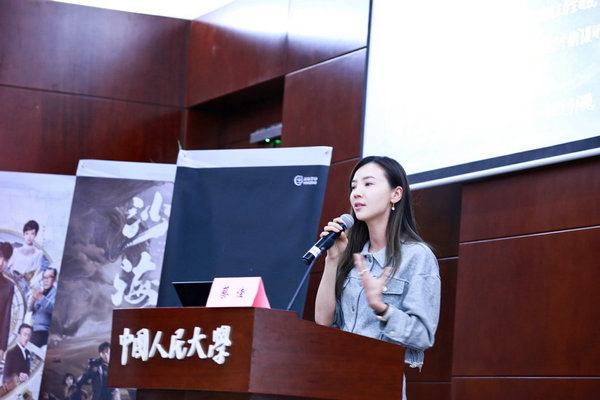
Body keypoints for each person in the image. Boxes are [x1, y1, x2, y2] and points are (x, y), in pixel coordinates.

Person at [314, 156, 441, 400]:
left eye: (368, 184)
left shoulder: (417, 256)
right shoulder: (351, 254)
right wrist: (332, 260)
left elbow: (422, 335)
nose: (357, 193)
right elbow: (323, 320)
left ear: (396, 194)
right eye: (354, 186)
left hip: (379, 384)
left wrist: (382, 308)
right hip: (336, 380)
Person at [8, 220, 44, 284]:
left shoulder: (38, 253)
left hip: (24, 285)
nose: (29, 237)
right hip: (11, 282)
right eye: (27, 233)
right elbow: (8, 267)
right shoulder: (16, 251)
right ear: (24, 234)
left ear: (36, 235)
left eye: (32, 234)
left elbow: (35, 274)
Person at [29, 267, 57, 347]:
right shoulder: (41, 291)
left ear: (54, 279)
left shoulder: (56, 293)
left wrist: (41, 298)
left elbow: (54, 310)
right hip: (34, 329)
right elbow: (30, 310)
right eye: (44, 277)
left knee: (27, 347)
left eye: (49, 277)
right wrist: (33, 300)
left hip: (44, 332)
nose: (46, 280)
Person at [0, 241, 15, 363]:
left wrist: (2, 348)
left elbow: (6, 318)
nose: (1, 263)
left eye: (5, 260)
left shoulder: (9, 286)